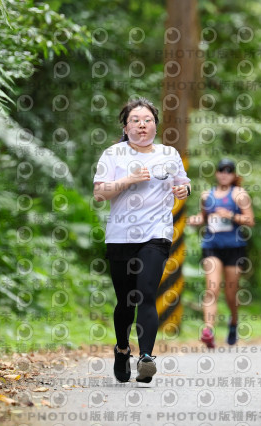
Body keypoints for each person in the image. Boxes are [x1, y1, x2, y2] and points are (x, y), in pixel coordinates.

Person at [93, 98, 190, 383]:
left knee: (146, 294)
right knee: (126, 301)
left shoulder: (169, 154)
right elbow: (99, 193)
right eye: (135, 120)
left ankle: (146, 357)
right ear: (126, 127)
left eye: (147, 120)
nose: (142, 125)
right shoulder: (113, 154)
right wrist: (129, 179)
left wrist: (183, 190)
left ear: (155, 125)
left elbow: (183, 183)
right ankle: (122, 349)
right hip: (120, 236)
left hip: (156, 234)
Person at [188, 159, 255, 348]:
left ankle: (233, 322)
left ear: (234, 175)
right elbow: (203, 218)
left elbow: (250, 220)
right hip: (212, 246)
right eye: (221, 170)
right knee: (212, 288)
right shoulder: (206, 195)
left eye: (229, 171)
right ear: (216, 173)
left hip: (234, 248)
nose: (225, 174)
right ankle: (208, 330)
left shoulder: (239, 194)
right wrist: (192, 220)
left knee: (231, 294)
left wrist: (231, 216)